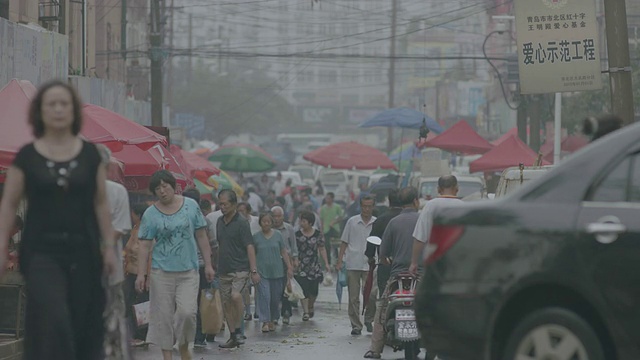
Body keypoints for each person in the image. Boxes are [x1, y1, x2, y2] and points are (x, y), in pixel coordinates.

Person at [0, 80, 117, 360]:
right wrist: (2, 246)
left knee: (80, 321)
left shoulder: (90, 155)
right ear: (40, 111)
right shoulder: (27, 156)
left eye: (64, 103)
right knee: (54, 317)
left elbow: (101, 203)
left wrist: (110, 247)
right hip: (41, 252)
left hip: (84, 251)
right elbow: (9, 203)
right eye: (51, 104)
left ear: (74, 110)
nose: (58, 109)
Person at [135, 170, 215, 360]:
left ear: (173, 186)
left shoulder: (191, 206)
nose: (162, 191)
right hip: (160, 272)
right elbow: (144, 246)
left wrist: (209, 265)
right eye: (157, 189)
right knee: (164, 318)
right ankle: (167, 357)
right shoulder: (150, 214)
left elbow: (202, 236)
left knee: (187, 312)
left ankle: (184, 344)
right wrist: (140, 275)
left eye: (165, 186)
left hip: (189, 270)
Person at [364, 187, 421, 359]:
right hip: (421, 275)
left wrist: (385, 261)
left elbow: (382, 253)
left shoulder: (393, 223)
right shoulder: (424, 221)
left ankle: (375, 349)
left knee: (382, 308)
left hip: (397, 276)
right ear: (416, 201)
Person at [215, 189, 260, 349]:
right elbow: (220, 245)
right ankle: (233, 335)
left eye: (225, 204)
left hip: (240, 268)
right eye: (220, 204)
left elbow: (249, 246)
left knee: (235, 296)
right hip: (223, 269)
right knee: (226, 303)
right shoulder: (219, 221)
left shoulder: (242, 223)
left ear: (233, 204)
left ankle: (240, 329)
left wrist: (253, 270)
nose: (222, 207)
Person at [182, 188, 219, 348]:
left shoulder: (199, 220)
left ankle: (194, 334)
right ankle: (198, 335)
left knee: (191, 302)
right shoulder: (206, 220)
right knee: (200, 301)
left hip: (192, 267)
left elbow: (212, 245)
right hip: (202, 267)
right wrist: (213, 264)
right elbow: (215, 246)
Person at [337, 195, 377, 336]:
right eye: (364, 206)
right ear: (360, 206)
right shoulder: (352, 222)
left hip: (370, 264)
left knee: (372, 295)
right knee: (353, 297)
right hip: (353, 263)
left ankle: (369, 318)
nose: (366, 209)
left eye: (369, 206)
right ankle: (356, 325)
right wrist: (339, 260)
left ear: (373, 207)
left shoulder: (376, 223)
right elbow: (344, 242)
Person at [104, 174, 133, 360]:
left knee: (113, 322)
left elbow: (119, 229)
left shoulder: (116, 191)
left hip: (110, 274)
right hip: (78, 273)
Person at [410, 175, 464, 274]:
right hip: (458, 262)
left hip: (435, 262)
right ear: (457, 188)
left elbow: (420, 238)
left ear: (438, 189)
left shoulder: (430, 206)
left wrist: (414, 263)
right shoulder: (464, 206)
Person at [253, 212, 293, 332]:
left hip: (277, 271)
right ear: (260, 223)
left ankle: (273, 318)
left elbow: (283, 251)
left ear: (272, 223)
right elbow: (252, 254)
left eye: (268, 221)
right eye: (263, 221)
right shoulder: (256, 237)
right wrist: (253, 270)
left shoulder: (278, 235)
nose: (266, 223)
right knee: (265, 296)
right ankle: (265, 321)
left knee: (275, 298)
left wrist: (289, 267)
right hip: (262, 271)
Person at [365, 189, 402, 297]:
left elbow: (371, 242)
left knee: (384, 296)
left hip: (385, 264)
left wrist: (370, 257)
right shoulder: (413, 220)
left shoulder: (381, 220)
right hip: (407, 266)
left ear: (389, 202)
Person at [295, 210, 331, 321]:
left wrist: (326, 263)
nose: (302, 223)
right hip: (301, 265)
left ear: (310, 223)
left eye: (304, 221)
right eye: (301, 221)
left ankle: (311, 305)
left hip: (314, 265)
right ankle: (305, 311)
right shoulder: (297, 235)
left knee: (314, 290)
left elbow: (322, 248)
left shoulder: (317, 234)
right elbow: (294, 250)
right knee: (303, 289)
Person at [123, 203, 150, 346]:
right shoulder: (134, 229)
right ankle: (130, 334)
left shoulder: (147, 231)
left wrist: (148, 278)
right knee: (127, 303)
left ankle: (141, 336)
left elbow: (150, 255)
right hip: (130, 272)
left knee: (142, 306)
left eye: (132, 213)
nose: (131, 216)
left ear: (138, 215)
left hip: (143, 273)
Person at [271, 206, 298, 324]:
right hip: (272, 261)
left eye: (279, 216)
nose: (276, 219)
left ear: (283, 216)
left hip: (286, 261)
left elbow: (293, 245)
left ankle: (286, 312)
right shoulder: (269, 229)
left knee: (287, 287)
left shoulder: (289, 228)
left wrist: (295, 259)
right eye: (274, 216)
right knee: (275, 290)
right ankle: (274, 314)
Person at [319, 192, 343, 267]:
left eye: (328, 198)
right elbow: (321, 220)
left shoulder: (337, 207)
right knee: (326, 247)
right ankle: (328, 263)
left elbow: (341, 217)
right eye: (326, 198)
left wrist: (334, 222)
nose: (327, 200)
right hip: (326, 229)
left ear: (332, 199)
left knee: (336, 246)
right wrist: (321, 231)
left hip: (335, 229)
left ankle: (337, 261)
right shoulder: (323, 208)